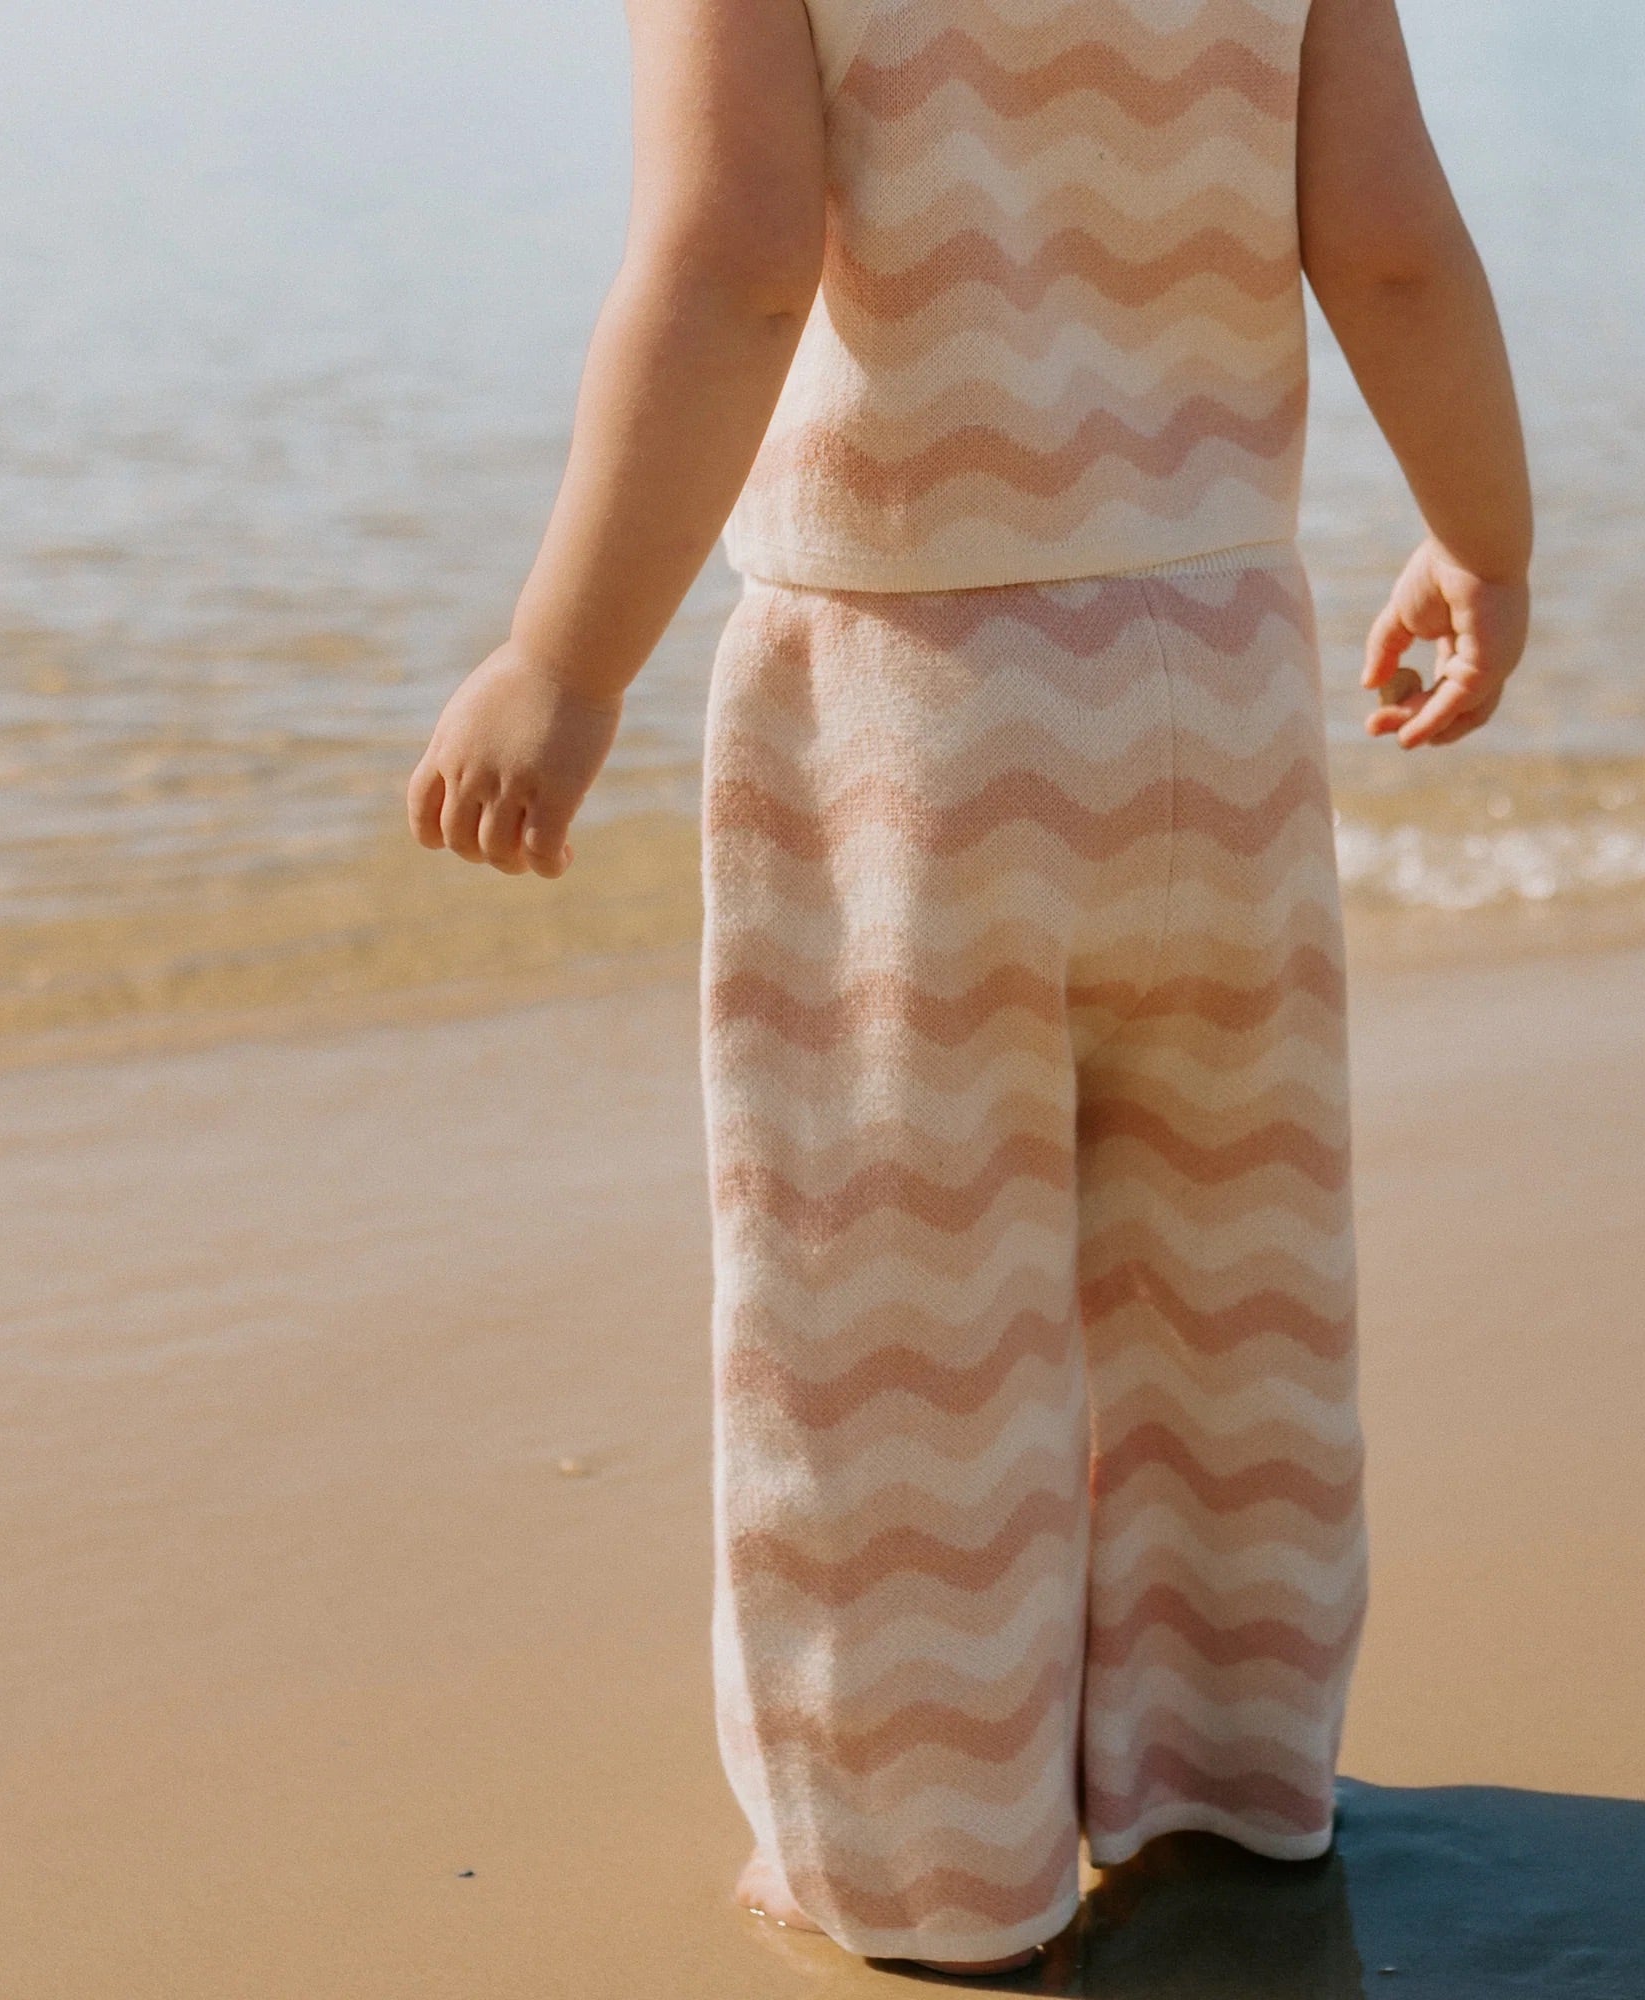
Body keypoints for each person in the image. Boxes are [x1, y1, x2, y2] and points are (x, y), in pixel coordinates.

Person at [407, 0, 1530, 1975]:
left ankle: (926, 1858)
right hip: (1216, 678)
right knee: (1231, 1273)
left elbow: (734, 261)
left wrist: (561, 664)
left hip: (907, 698)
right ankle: (1228, 1763)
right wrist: (1479, 532)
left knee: (889, 1312)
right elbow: (1384, 237)